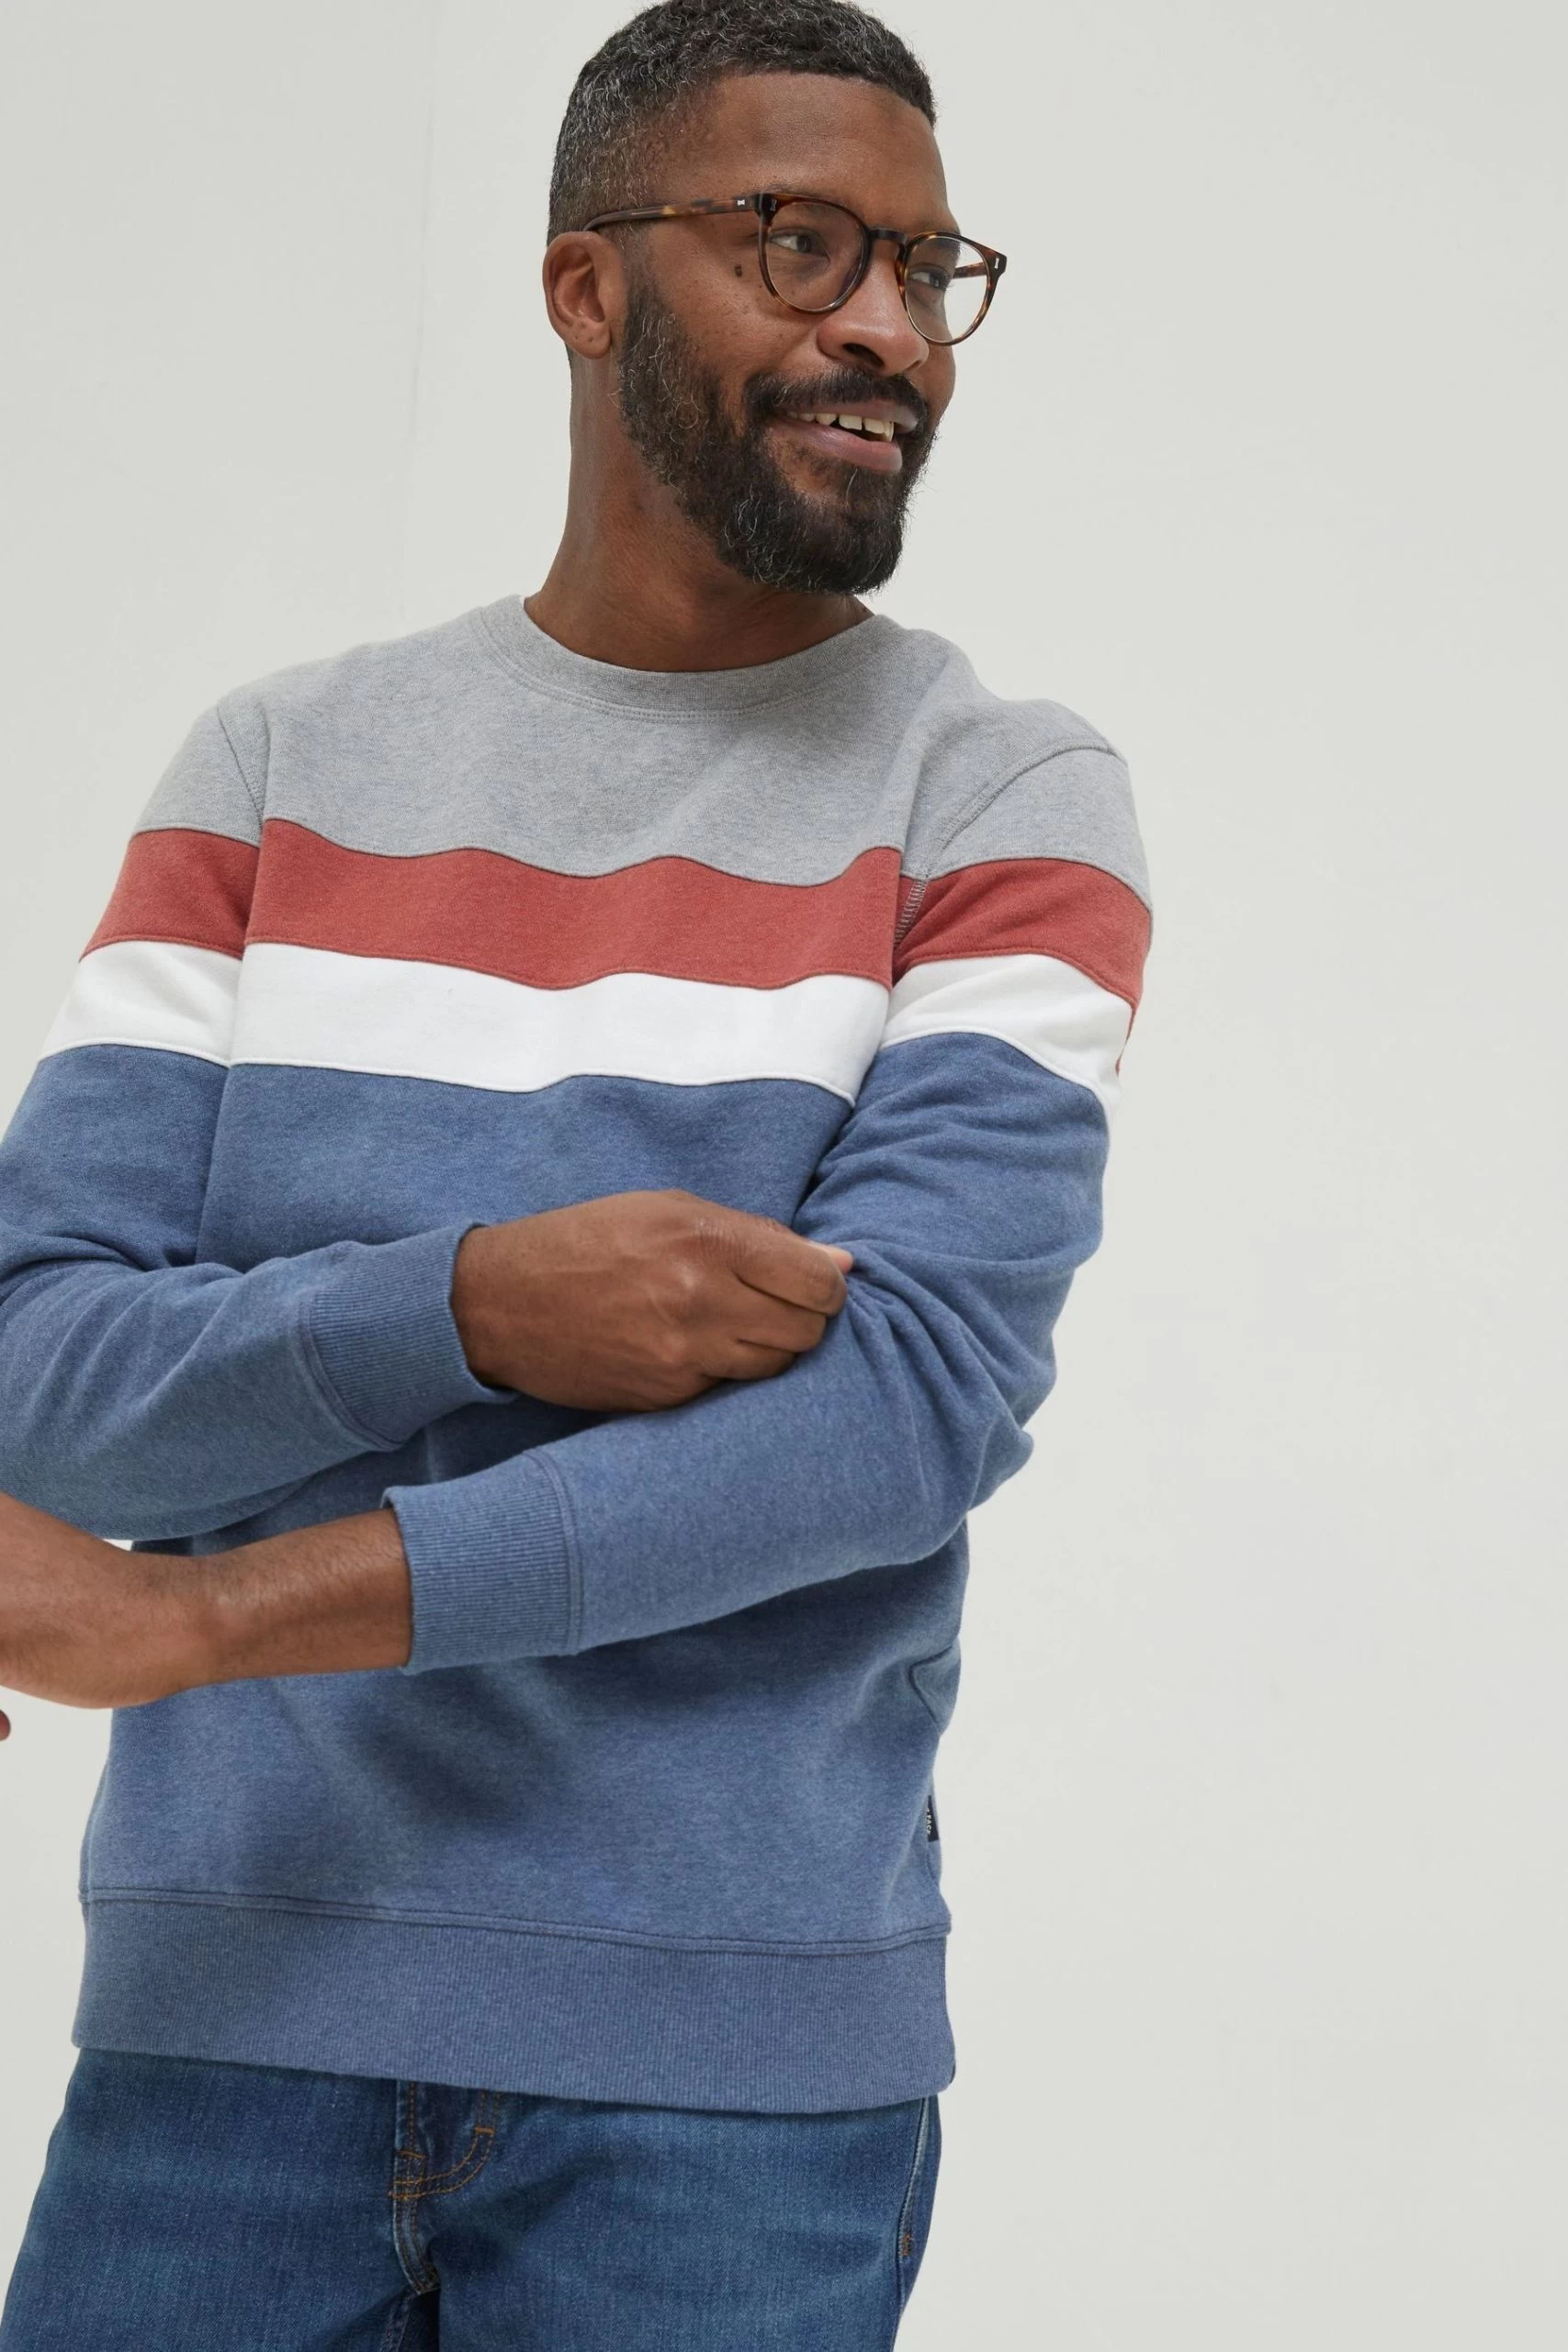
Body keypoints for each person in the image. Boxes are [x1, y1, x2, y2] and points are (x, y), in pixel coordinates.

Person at [0, 1, 1150, 2342]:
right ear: (585, 283)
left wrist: (205, 1613)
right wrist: (469, 1301)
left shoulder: (998, 792)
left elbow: (895, 1413)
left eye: (927, 266)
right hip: (217, 2043)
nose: (887, 327)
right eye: (800, 242)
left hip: (727, 2094)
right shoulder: (275, 768)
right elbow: (43, 1366)